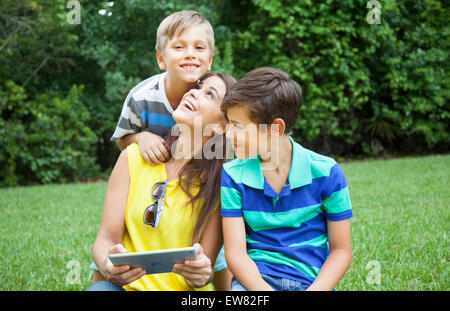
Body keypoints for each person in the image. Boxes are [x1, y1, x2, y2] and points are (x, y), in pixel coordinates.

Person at [88, 72, 236, 291]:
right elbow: (106, 238)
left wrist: (203, 272)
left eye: (209, 94)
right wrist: (107, 263)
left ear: (222, 126)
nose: (193, 92)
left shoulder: (219, 185)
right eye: (197, 86)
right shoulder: (133, 157)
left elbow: (207, 262)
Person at [220, 67, 353, 291]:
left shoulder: (327, 173)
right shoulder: (233, 175)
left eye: (238, 127)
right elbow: (235, 254)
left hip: (311, 283)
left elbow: (341, 250)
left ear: (275, 128)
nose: (228, 134)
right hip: (256, 283)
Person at [111, 10, 214, 165]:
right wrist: (141, 137)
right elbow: (121, 140)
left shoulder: (211, 99)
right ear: (161, 59)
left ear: (209, 61)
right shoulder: (140, 98)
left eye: (199, 47)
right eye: (179, 47)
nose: (190, 54)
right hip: (153, 176)